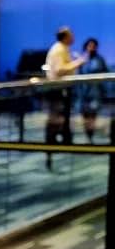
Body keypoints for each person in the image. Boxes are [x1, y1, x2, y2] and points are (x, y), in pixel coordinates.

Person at [44, 26, 85, 165]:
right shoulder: (59, 49)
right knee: (55, 119)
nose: (73, 37)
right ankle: (51, 146)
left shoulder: (62, 48)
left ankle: (56, 144)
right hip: (58, 90)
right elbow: (60, 70)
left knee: (59, 118)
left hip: (61, 90)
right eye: (71, 35)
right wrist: (78, 62)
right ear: (65, 36)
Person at [78, 38, 108, 143]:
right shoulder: (81, 59)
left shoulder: (100, 59)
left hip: (95, 93)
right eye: (89, 45)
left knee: (92, 115)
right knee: (85, 116)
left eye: (94, 45)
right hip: (83, 93)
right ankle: (88, 136)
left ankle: (90, 136)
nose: (91, 47)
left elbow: (106, 73)